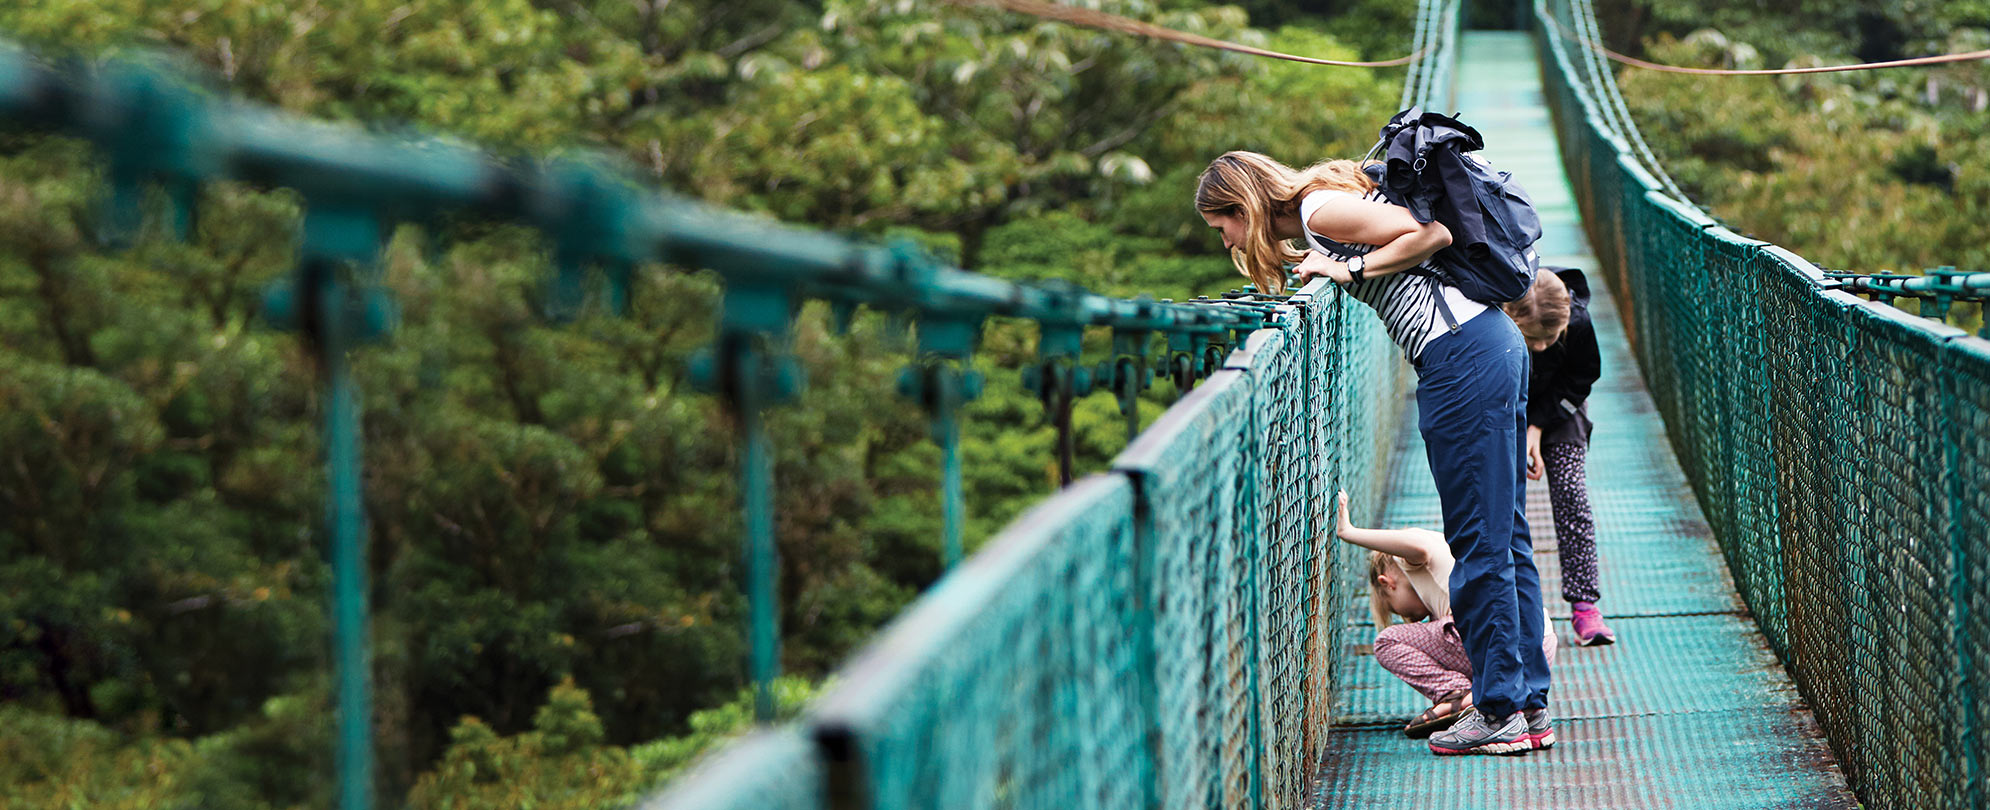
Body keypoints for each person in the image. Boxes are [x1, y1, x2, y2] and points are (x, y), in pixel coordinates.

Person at [1195, 151, 1549, 755]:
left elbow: (1431, 232)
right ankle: (1524, 703)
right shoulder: (1320, 212)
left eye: (1221, 224)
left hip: (1463, 358)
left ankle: (1498, 710)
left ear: (1243, 205)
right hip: (1483, 349)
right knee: (1503, 536)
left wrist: (1348, 274)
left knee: (1481, 542)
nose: (1224, 238)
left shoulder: (1317, 209)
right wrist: (1333, 267)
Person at [1335, 491, 1557, 749]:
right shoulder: (1447, 572)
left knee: (1387, 641)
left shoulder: (1411, 559)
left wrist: (1348, 532)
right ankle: (1489, 697)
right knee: (1448, 628)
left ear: (1388, 583)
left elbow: (1418, 546)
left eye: (1394, 609)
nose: (1406, 618)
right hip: (1539, 646)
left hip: (1500, 640)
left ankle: (1458, 695)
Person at [1503, 268, 1617, 645]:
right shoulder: (1495, 319)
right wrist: (1519, 429)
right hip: (1503, 409)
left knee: (1572, 496)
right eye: (1532, 339)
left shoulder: (1578, 323)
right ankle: (1507, 609)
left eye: (1549, 340)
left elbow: (1583, 377)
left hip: (1562, 409)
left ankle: (1585, 606)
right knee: (1501, 502)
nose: (1540, 347)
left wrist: (1537, 426)